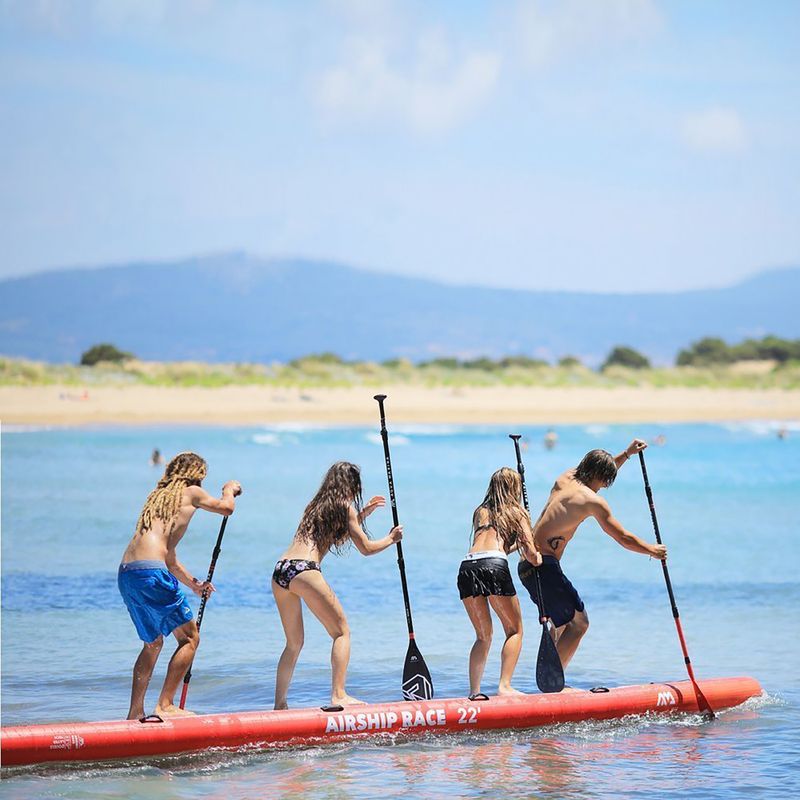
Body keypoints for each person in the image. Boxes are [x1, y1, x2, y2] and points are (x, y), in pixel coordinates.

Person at [518, 440, 667, 677]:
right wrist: (651, 550)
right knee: (580, 624)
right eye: (605, 482)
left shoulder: (565, 478)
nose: (604, 487)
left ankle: (548, 685)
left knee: (563, 624)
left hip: (527, 564)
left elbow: (599, 471)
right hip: (543, 566)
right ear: (599, 476)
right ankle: (553, 684)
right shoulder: (591, 501)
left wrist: (626, 454)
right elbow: (623, 537)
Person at [118, 452, 241, 719]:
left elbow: (168, 557)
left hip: (128, 573)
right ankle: (165, 705)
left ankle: (134, 713)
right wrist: (228, 489)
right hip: (151, 573)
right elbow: (226, 508)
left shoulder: (156, 499)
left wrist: (194, 584)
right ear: (195, 475)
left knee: (152, 643)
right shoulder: (191, 492)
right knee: (189, 637)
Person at [271, 461, 402, 710]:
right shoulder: (345, 508)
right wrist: (391, 539)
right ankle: (339, 694)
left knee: (293, 643)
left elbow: (333, 535)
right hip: (305, 570)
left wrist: (363, 514)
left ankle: (280, 704)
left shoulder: (314, 506)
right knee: (341, 632)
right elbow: (366, 548)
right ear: (352, 485)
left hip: (281, 570)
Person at [457, 468, 541, 699]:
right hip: (494, 566)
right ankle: (505, 686)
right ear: (515, 488)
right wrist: (537, 557)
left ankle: (474, 692)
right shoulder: (517, 512)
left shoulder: (480, 512)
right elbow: (531, 555)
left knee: (483, 636)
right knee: (515, 630)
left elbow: (492, 545)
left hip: (467, 566)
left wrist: (516, 547)